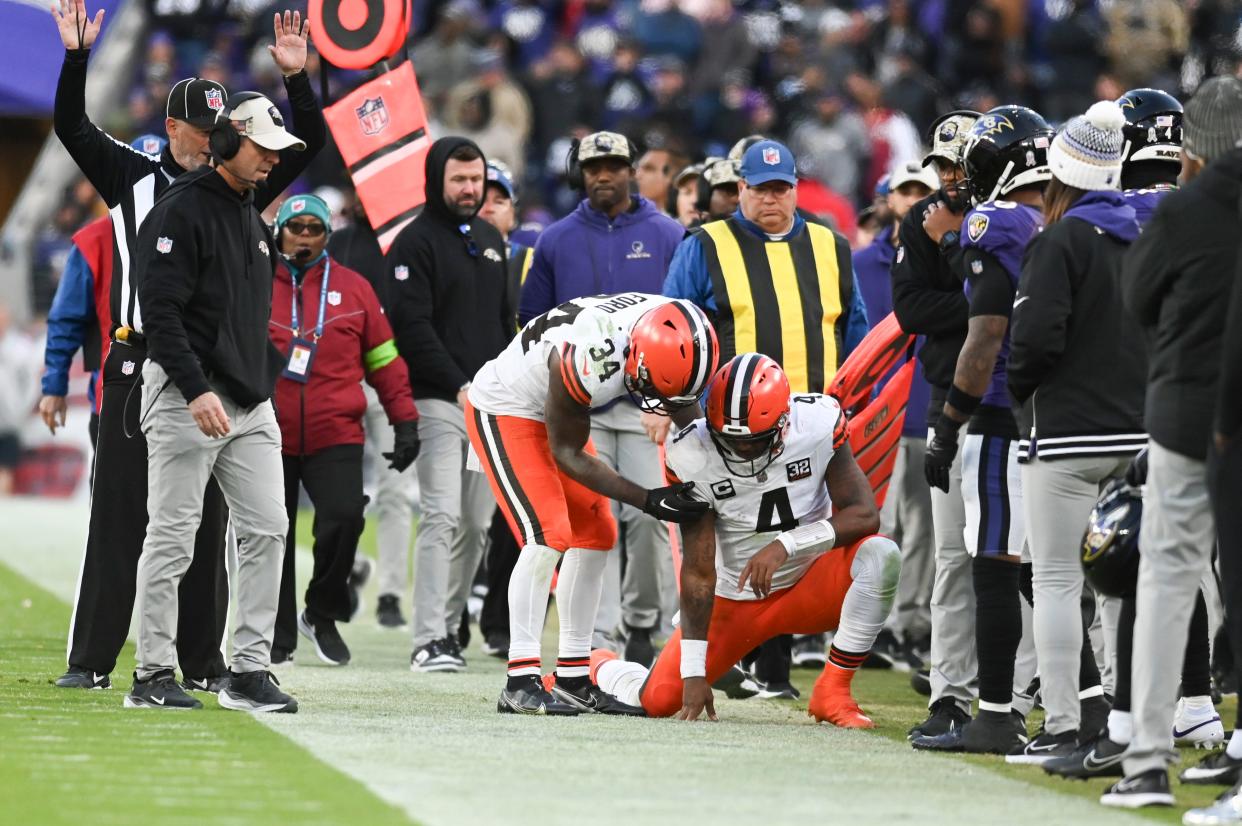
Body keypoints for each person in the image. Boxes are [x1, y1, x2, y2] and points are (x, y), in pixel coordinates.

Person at [50, 2, 324, 692]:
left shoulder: (239, 185)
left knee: (210, 527)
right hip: (145, 360)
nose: (209, 140)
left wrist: (296, 81)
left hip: (220, 368)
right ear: (171, 128)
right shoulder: (134, 176)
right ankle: (92, 661)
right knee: (123, 516)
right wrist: (77, 59)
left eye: (218, 129)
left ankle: (204, 663)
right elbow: (72, 127)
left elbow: (306, 146)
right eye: (200, 129)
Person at [1043, 87, 1222, 781]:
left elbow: (1136, 309)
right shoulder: (1181, 208)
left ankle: (1128, 722)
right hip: (1192, 402)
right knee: (1198, 563)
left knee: (1136, 563)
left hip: (1150, 402)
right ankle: (1198, 700)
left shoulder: (1138, 215)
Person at [127, 92, 311, 712]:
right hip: (187, 395)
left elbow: (314, 138)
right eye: (262, 149)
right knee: (174, 538)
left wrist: (296, 77)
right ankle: (152, 675)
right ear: (228, 144)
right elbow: (161, 313)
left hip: (248, 401)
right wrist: (196, 386)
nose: (271, 162)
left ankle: (249, 671)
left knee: (268, 529)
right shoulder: (182, 211)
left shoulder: (248, 206)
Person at [663, 138, 868, 695]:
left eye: (780, 188)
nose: (770, 199)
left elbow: (854, 332)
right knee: (730, 543)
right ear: (740, 190)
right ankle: (714, 653)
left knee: (801, 530)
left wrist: (850, 407)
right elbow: (675, 326)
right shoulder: (706, 244)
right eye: (758, 188)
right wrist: (669, 410)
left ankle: (780, 666)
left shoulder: (830, 245)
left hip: (810, 428)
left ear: (796, 189)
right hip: (732, 431)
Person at [591, 354, 900, 724]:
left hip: (809, 581)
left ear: (784, 424)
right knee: (657, 701)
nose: (743, 453)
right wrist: (693, 672)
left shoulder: (817, 424)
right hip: (735, 599)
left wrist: (786, 545)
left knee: (880, 555)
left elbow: (864, 514)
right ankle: (598, 664)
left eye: (754, 443)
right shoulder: (692, 452)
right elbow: (699, 568)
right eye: (730, 442)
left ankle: (832, 691)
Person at [465, 293, 718, 715]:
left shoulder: (676, 329)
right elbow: (567, 451)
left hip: (558, 407)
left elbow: (684, 402)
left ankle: (573, 675)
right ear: (635, 355)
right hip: (507, 407)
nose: (658, 399)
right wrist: (647, 499)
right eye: (654, 385)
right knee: (548, 534)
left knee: (597, 534)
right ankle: (520, 679)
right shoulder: (590, 355)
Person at [1105, 76, 1242, 809]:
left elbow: (1138, 300)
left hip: (1188, 418)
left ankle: (1147, 761)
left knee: (1164, 581)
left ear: (1189, 147)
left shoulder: (1184, 210)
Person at [1002, 101, 1145, 764]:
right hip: (1142, 435)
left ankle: (1063, 726)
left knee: (1058, 579)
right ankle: (1123, 723)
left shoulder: (1057, 240)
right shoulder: (1145, 233)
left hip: (1064, 436)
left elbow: (1032, 343)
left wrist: (1022, 399)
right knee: (1130, 580)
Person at [913, 106, 1055, 755]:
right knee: (1054, 575)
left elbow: (985, 337)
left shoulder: (993, 224)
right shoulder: (1065, 217)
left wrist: (947, 426)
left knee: (996, 566)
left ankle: (996, 713)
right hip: (1066, 416)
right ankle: (1087, 702)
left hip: (1003, 416)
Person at [520, 131, 686, 664]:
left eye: (614, 165)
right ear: (580, 174)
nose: (604, 175)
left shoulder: (668, 235)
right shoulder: (555, 240)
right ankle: (599, 637)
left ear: (632, 169)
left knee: (649, 520)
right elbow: (532, 324)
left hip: (646, 407)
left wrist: (669, 401)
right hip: (579, 408)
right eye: (594, 168)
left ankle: (641, 622)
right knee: (596, 520)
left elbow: (684, 322)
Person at [268, 194, 421, 667]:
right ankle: (275, 627)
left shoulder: (355, 289)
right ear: (280, 234)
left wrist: (404, 421)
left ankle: (322, 611)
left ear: (327, 236)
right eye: (297, 228)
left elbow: (384, 359)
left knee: (344, 519)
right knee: (272, 531)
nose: (306, 236)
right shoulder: (255, 282)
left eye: (315, 229)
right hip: (266, 431)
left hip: (336, 428)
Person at [386, 137, 511, 674]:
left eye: (475, 179)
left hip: (487, 406)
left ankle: (450, 629)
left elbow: (503, 325)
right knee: (441, 515)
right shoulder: (412, 243)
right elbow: (410, 329)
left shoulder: (490, 238)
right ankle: (427, 638)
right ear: (436, 180)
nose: (469, 189)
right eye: (459, 180)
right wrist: (459, 384)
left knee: (476, 525)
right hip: (437, 400)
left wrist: (503, 389)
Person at [891, 109, 981, 739]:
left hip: (1022, 402)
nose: (950, 178)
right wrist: (983, 302)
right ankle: (951, 689)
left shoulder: (1030, 211)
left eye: (959, 164)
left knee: (1030, 563)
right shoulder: (922, 220)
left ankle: (1041, 684)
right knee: (952, 554)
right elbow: (911, 309)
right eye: (944, 165)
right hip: (950, 395)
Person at [851, 159, 938, 668]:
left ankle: (912, 623)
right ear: (888, 198)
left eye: (919, 192)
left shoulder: (946, 259)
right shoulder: (861, 264)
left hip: (927, 409)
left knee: (925, 527)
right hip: (877, 414)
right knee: (878, 522)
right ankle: (871, 623)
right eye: (903, 192)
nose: (910, 201)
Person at [328, 196, 419, 630]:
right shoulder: (336, 241)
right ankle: (352, 564)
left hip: (389, 378)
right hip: (341, 378)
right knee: (336, 490)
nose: (365, 198)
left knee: (396, 492)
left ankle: (390, 594)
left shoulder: (410, 244)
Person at [475, 159, 532, 657]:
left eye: (501, 198)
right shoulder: (460, 251)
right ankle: (455, 622)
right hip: (476, 395)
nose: (490, 205)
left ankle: (500, 621)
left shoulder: (535, 254)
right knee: (468, 518)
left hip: (529, 398)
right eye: (484, 195)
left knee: (515, 516)